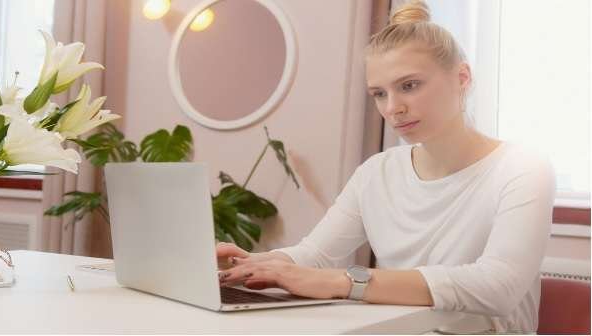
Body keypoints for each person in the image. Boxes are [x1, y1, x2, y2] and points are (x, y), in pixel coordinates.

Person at [216, 0, 555, 333]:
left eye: (409, 85)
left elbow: (498, 286)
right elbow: (314, 255)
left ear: (462, 78)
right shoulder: (376, 174)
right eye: (379, 93)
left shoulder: (522, 169)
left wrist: (344, 282)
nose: (393, 108)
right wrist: (247, 266)